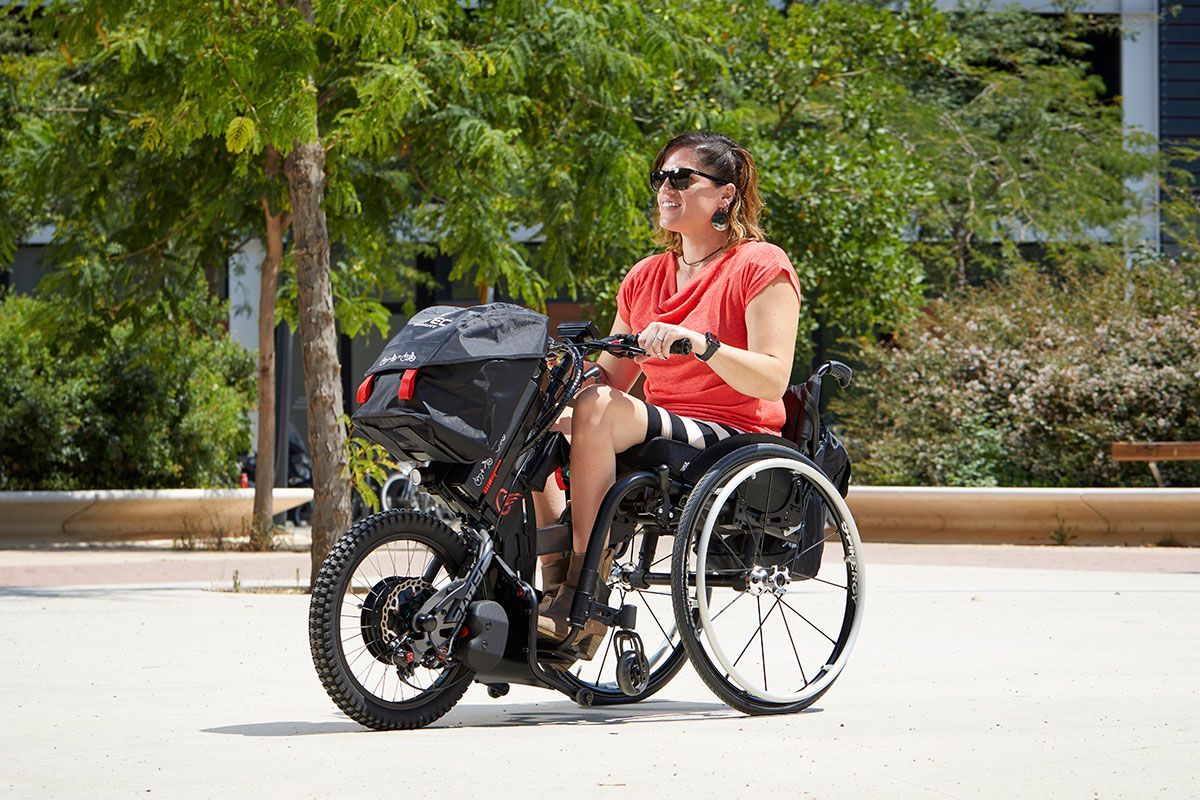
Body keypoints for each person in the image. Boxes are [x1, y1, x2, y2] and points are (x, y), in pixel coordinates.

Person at [533, 131, 802, 656]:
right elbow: (608, 379)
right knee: (538, 422)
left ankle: (583, 594)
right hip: (656, 424)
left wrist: (703, 345)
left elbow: (773, 378)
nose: (665, 188)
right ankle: (554, 587)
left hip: (733, 434)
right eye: (660, 178)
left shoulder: (760, 264)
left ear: (725, 194)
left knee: (595, 410)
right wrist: (555, 388)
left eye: (681, 177)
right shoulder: (645, 277)